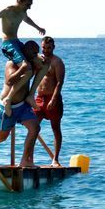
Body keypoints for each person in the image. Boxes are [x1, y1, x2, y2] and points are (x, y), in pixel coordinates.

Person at [0, 40, 43, 168]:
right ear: (25, 51)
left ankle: (25, 160)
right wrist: (23, 69)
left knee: (35, 128)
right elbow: (10, 81)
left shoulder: (32, 63)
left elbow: (45, 66)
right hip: (8, 105)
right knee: (1, 136)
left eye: (36, 52)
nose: (34, 55)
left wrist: (41, 60)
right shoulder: (12, 63)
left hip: (23, 105)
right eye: (33, 52)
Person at [33, 36, 66, 165]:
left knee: (55, 128)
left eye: (49, 48)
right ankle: (29, 158)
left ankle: (55, 159)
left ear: (53, 47)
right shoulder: (38, 60)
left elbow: (59, 82)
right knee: (33, 127)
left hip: (53, 98)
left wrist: (53, 99)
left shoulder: (57, 62)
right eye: (44, 48)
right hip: (39, 98)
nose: (46, 50)